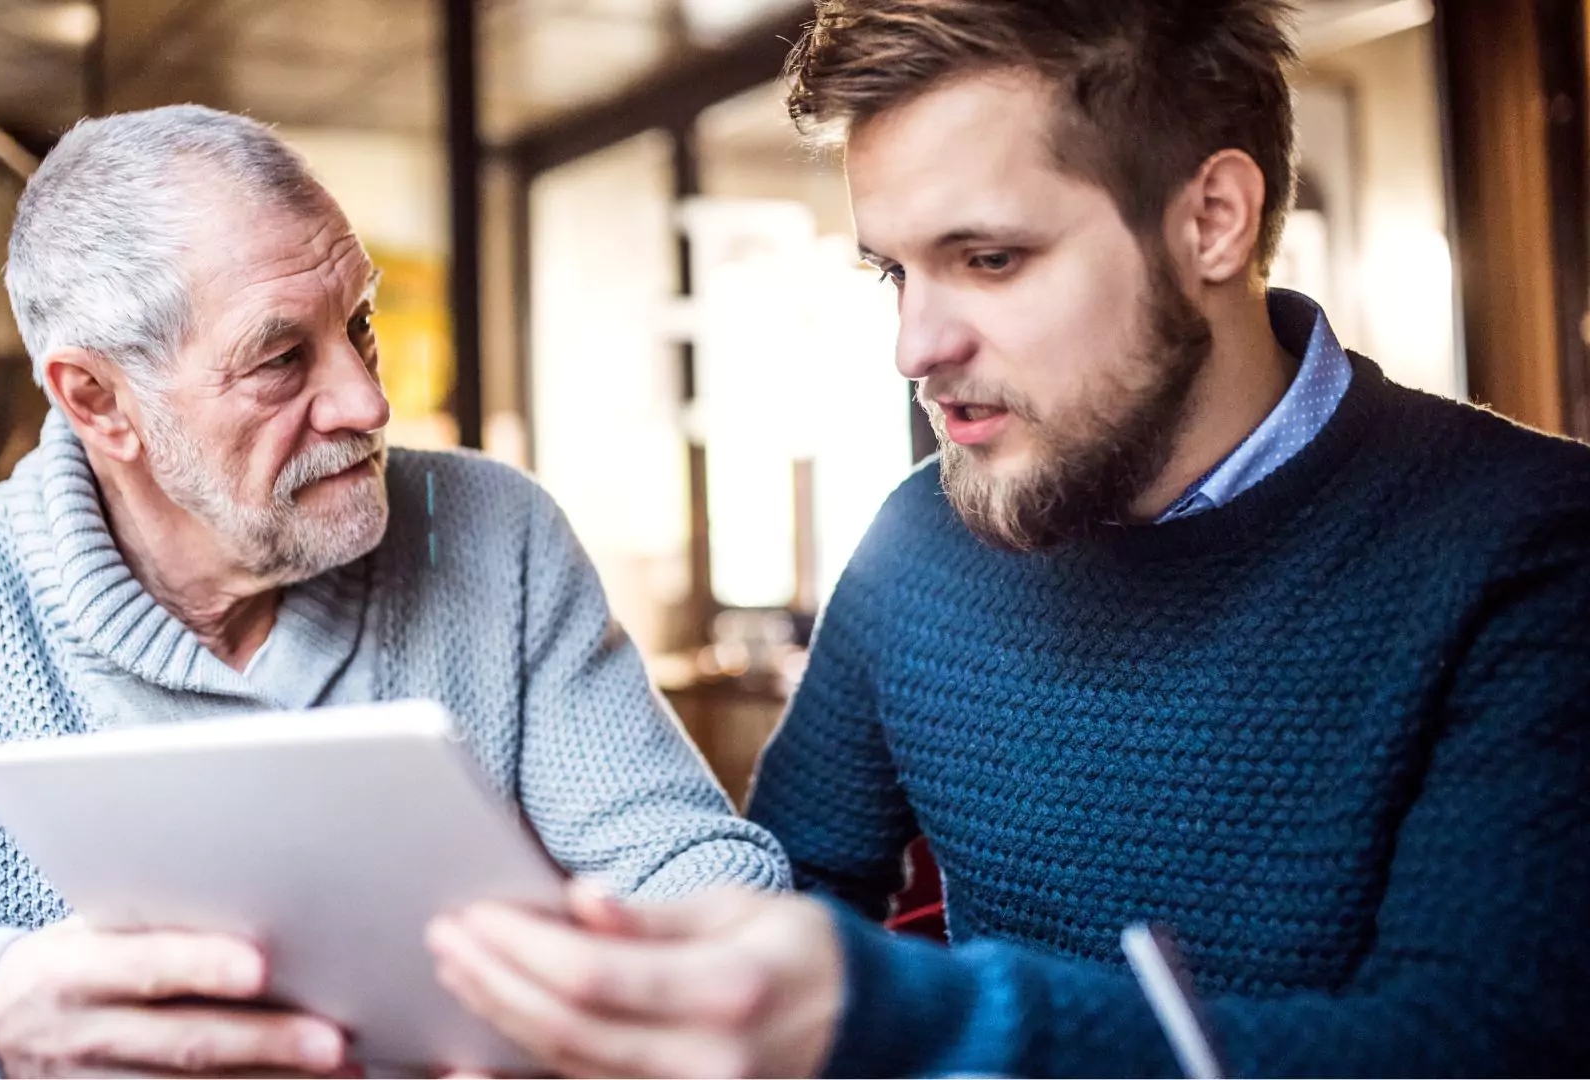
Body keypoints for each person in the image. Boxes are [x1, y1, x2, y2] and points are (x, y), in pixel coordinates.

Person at [424, 1, 1590, 1075]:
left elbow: (1475, 1046)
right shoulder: (918, 539)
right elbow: (791, 893)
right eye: (894, 270)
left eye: (989, 259)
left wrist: (919, 1021)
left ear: (1212, 220)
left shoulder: (1535, 545)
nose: (914, 345)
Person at [0, 105, 788, 1078]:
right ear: (101, 404)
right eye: (280, 360)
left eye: (358, 324)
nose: (362, 399)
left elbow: (697, 871)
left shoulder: (494, 533)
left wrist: (616, 1011)